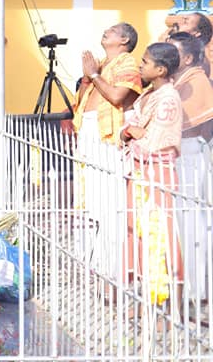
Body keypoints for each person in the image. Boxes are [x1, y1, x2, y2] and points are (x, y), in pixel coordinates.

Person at [73, 22, 142, 283]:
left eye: (112, 31)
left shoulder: (128, 64)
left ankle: (111, 266)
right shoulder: (101, 64)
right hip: (88, 132)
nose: (105, 32)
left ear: (124, 40)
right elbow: (80, 103)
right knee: (89, 198)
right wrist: (87, 76)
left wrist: (94, 75)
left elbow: (115, 97)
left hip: (107, 137)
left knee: (107, 200)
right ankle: (93, 260)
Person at [120, 43, 183, 304]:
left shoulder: (168, 98)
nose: (140, 65)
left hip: (158, 172)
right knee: (138, 231)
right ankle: (145, 298)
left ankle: (172, 303)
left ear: (160, 69)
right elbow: (128, 129)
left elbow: (151, 142)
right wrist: (131, 132)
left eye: (145, 62)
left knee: (162, 235)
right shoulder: (148, 94)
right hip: (139, 170)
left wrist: (132, 132)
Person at [167, 32, 213, 309]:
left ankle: (195, 290)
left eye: (172, 52)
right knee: (179, 225)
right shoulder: (181, 80)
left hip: (190, 158)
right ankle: (181, 286)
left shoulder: (196, 81)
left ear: (187, 58)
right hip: (177, 157)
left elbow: (189, 124)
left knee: (192, 225)